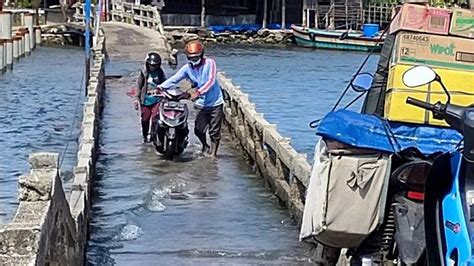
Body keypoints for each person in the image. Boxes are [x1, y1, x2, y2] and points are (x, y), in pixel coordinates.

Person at [158, 40, 224, 158]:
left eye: (196, 57)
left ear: (202, 55)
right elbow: (175, 79)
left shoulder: (210, 63)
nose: (194, 60)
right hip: (201, 103)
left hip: (215, 102)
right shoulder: (187, 68)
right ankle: (205, 145)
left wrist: (198, 92)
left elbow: (211, 81)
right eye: (191, 58)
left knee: (214, 131)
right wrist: (160, 87)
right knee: (198, 130)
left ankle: (213, 155)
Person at [134, 52, 167, 143]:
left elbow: (165, 83)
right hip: (145, 99)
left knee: (155, 118)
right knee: (145, 119)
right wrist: (136, 98)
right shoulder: (143, 73)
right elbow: (138, 86)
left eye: (155, 65)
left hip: (157, 99)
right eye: (151, 65)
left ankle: (153, 136)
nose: (152, 67)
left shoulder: (160, 73)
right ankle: (145, 135)